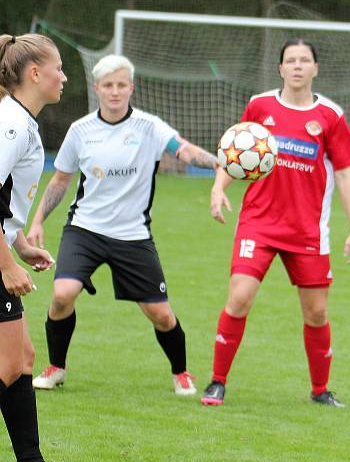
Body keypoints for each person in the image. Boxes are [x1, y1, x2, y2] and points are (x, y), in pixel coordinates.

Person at [28, 55, 218, 396]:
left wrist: (218, 163)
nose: (114, 92)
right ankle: (56, 367)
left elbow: (184, 150)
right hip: (84, 230)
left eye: (121, 85)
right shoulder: (81, 130)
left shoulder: (149, 127)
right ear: (97, 88)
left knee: (160, 314)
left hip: (133, 235)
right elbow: (60, 180)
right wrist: (38, 220)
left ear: (131, 87)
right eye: (107, 85)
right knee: (62, 294)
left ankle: (181, 372)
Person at [201, 39, 350, 408]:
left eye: (304, 60)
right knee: (239, 297)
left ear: (315, 68)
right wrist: (217, 188)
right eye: (290, 60)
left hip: (307, 230)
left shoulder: (330, 116)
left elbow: (346, 174)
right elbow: (236, 153)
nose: (297, 66)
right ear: (280, 68)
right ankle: (217, 381)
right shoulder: (260, 106)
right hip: (258, 223)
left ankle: (321, 390)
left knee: (317, 312)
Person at [0, 33, 84, 462]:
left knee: (21, 358)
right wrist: (6, 265)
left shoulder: (21, 121)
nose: (64, 76)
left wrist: (18, 244)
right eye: (58, 67)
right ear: (35, 73)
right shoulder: (11, 123)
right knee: (13, 361)